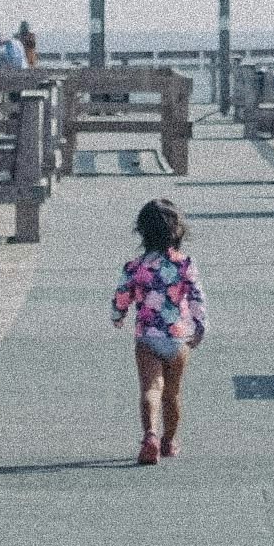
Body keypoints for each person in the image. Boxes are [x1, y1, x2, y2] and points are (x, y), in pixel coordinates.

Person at [109, 196, 205, 464]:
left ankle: (150, 434)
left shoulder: (135, 266)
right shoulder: (185, 264)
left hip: (148, 336)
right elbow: (197, 297)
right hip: (178, 336)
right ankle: (169, 441)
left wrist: (118, 316)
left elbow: (121, 295)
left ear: (142, 231)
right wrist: (200, 327)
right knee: (173, 393)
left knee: (151, 388)